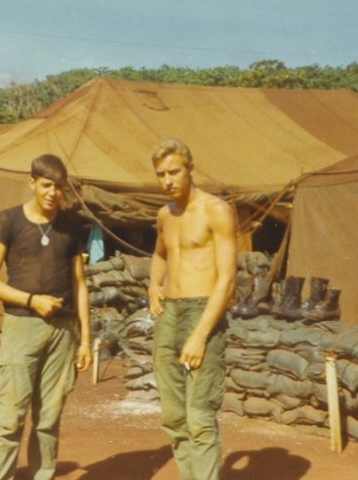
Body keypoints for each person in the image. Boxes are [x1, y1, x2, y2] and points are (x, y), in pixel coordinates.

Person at [0, 153, 92, 480]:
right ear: (32, 183)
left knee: (49, 418)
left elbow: (79, 284)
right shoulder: (8, 220)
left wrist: (86, 340)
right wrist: (32, 301)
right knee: (11, 416)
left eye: (59, 187)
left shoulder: (71, 225)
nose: (53, 193)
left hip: (63, 331)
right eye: (46, 185)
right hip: (22, 327)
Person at [147, 138, 236, 480]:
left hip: (203, 311)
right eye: (161, 174)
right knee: (173, 415)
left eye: (174, 172)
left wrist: (200, 336)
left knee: (199, 415)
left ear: (190, 169)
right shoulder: (164, 214)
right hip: (169, 312)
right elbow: (160, 254)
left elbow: (227, 279)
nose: (167, 180)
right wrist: (153, 284)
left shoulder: (216, 210)